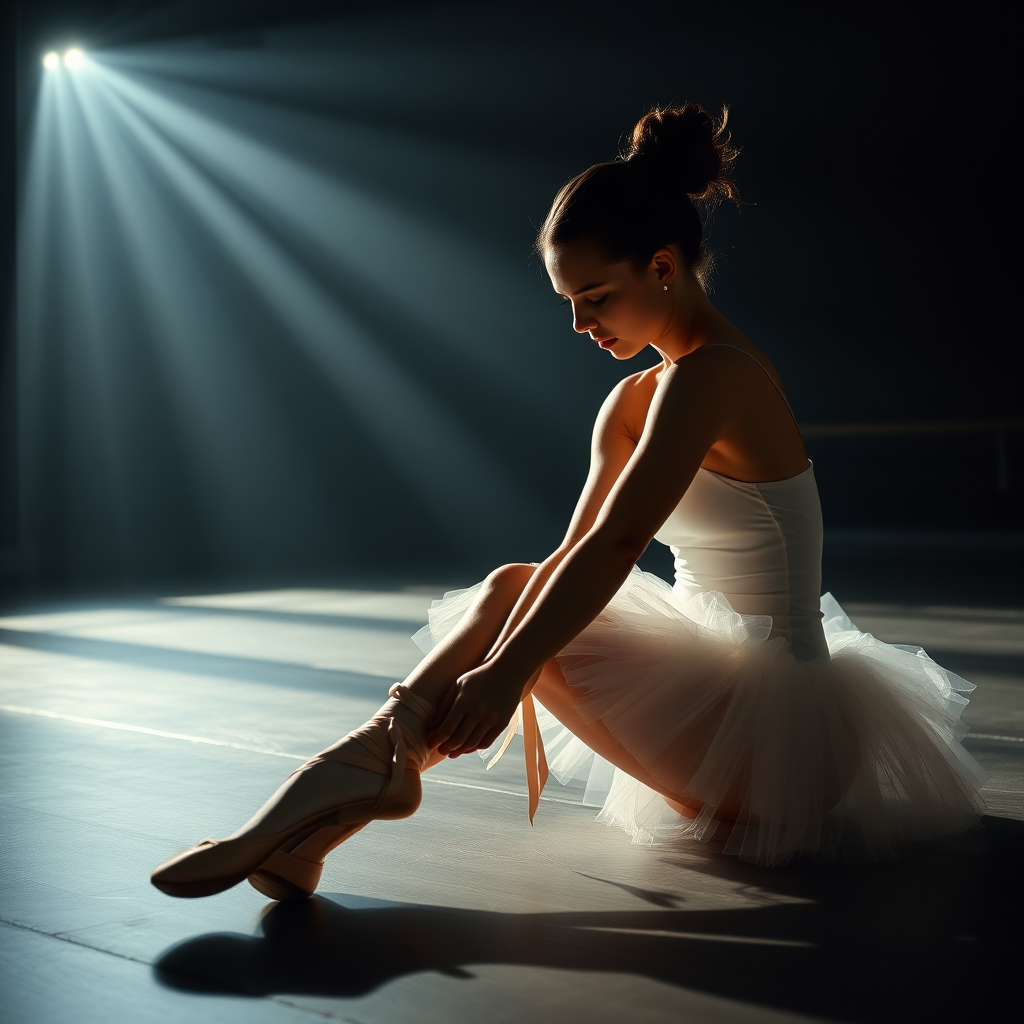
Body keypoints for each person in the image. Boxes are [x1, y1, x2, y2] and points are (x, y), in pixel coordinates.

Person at [152, 104, 986, 900]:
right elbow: (570, 553)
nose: (582, 323)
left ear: (662, 266)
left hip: (782, 748)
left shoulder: (718, 378)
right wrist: (496, 670)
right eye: (569, 304)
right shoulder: (634, 400)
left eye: (596, 296)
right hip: (712, 713)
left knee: (521, 608)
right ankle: (319, 825)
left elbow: (619, 547)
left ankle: (340, 778)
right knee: (523, 582)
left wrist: (507, 672)